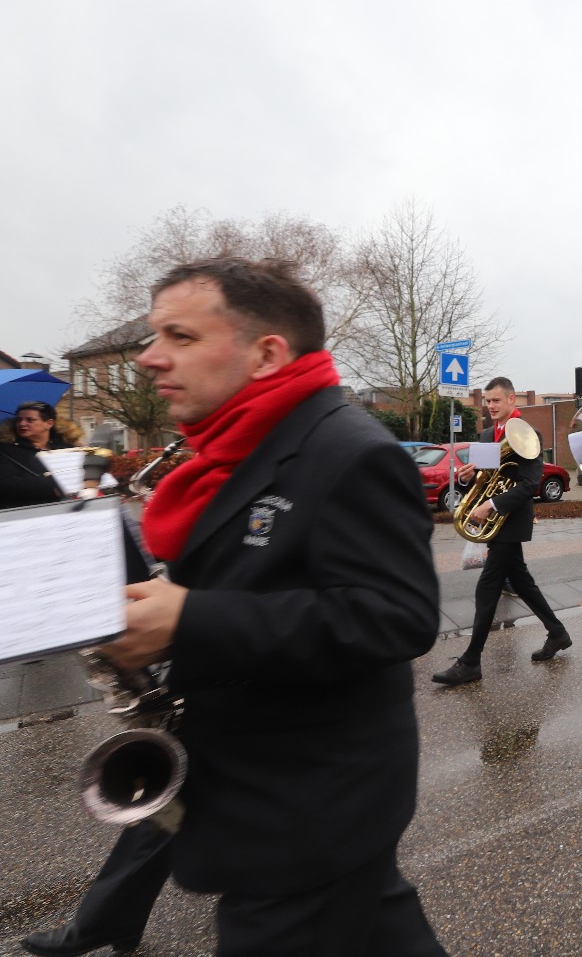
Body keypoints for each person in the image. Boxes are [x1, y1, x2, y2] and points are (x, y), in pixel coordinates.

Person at [25, 258, 447, 957]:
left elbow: (397, 615)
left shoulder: (350, 452)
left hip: (309, 809)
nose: (149, 358)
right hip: (271, 794)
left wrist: (187, 619)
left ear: (267, 354)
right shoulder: (238, 449)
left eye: (181, 336)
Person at [432, 378, 571, 686]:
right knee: (521, 581)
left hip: (512, 521)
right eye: (487, 401)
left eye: (496, 400)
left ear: (511, 400)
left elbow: (530, 484)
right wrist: (468, 477)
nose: (491, 406)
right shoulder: (487, 434)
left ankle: (471, 661)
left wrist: (492, 505)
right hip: (495, 521)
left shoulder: (529, 435)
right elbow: (484, 479)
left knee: (487, 587)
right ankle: (557, 633)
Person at [0, 400, 74, 508]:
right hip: (22, 512)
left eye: (30, 420)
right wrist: (53, 487)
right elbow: (6, 483)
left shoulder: (67, 449)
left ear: (49, 423)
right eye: (19, 420)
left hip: (67, 509)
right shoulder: (5, 451)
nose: (22, 424)